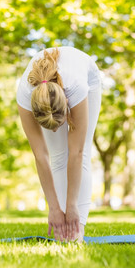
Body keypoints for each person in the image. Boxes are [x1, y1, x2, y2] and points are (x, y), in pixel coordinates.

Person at [16, 46, 102, 242]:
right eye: (49, 127)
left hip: (87, 77)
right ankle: (62, 229)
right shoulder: (25, 97)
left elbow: (77, 153)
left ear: (67, 107)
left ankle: (76, 229)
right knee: (57, 157)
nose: (55, 131)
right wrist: (54, 208)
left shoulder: (77, 89)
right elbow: (40, 155)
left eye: (59, 124)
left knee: (82, 151)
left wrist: (72, 206)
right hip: (47, 93)